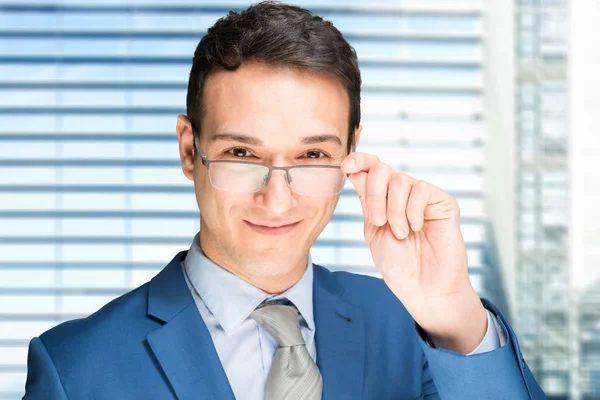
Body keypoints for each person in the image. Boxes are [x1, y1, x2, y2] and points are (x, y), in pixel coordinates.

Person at [23, 2, 547, 399]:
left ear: (351, 156)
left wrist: (455, 315)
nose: (277, 198)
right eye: (242, 153)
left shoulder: (417, 328)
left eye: (312, 156)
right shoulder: (77, 367)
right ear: (190, 150)